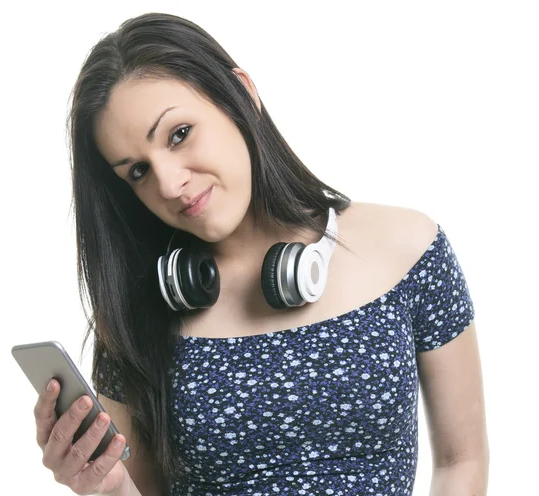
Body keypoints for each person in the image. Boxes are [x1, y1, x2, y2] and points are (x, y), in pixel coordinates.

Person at [32, 12, 489, 496]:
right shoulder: (138, 309)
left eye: (179, 134)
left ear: (242, 95)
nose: (169, 183)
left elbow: (463, 461)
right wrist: (104, 488)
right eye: (139, 172)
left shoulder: (410, 249)